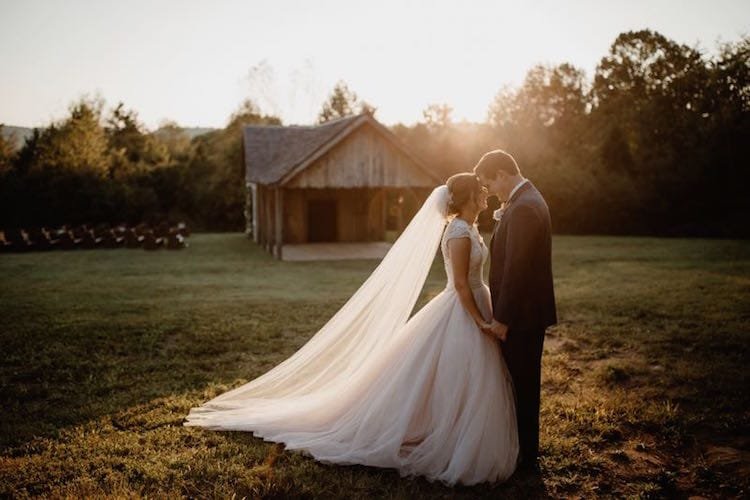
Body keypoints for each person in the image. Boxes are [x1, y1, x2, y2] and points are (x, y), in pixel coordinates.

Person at [185, 173, 519, 485]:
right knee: (456, 373)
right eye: (482, 189)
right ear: (468, 197)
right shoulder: (458, 232)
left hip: (478, 302)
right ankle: (446, 436)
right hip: (462, 310)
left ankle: (451, 430)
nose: (486, 192)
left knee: (463, 376)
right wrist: (482, 322)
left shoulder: (471, 228)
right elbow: (460, 285)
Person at [474, 150, 557, 471]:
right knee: (521, 383)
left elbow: (517, 270)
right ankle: (524, 449)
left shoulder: (524, 209)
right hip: (526, 312)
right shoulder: (525, 200)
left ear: (502, 174)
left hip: (521, 316)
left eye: (489, 182)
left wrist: (502, 319)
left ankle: (526, 457)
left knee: (521, 384)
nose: (491, 191)